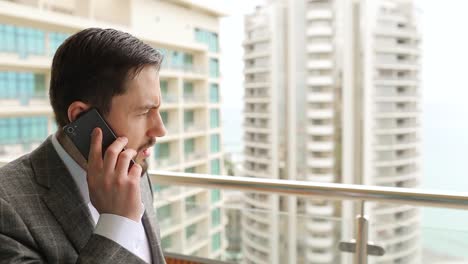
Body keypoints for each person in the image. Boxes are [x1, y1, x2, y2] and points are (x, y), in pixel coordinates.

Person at [0, 28, 167, 264]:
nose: (160, 130)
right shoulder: (6, 207)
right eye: (143, 112)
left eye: (157, 109)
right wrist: (116, 223)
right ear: (82, 118)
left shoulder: (132, 169)